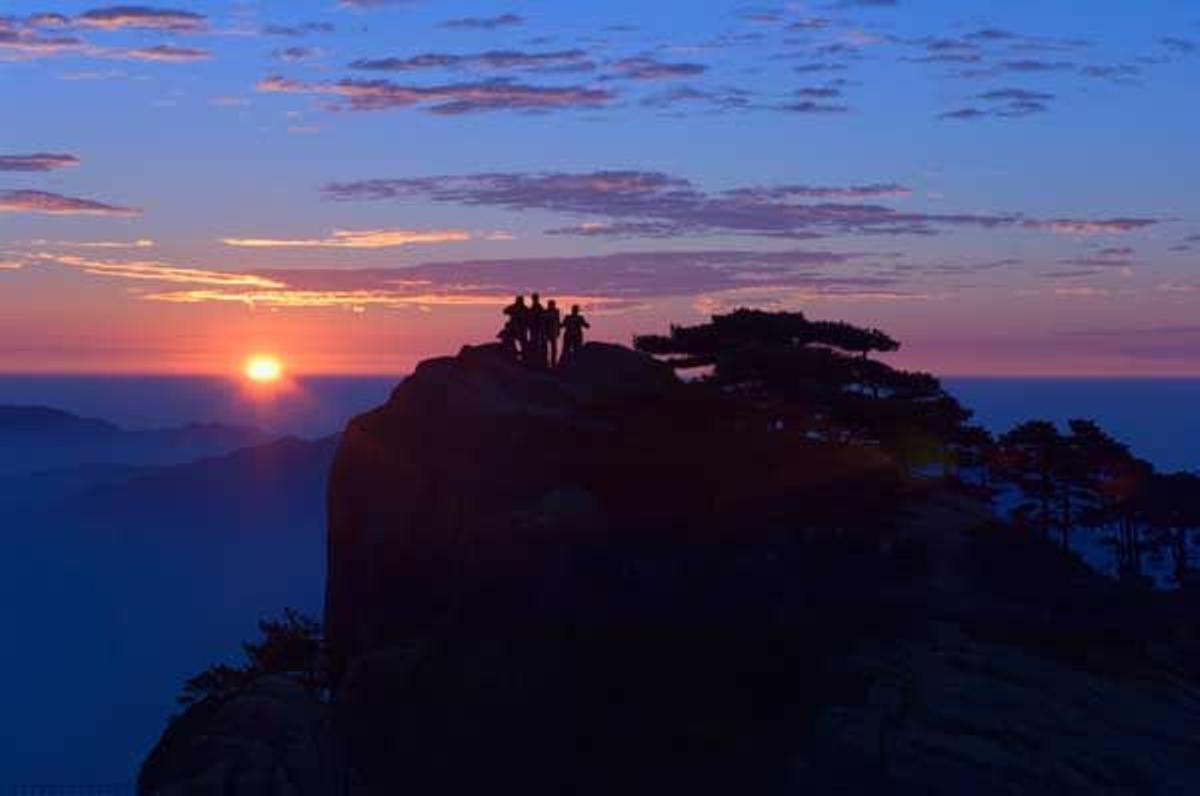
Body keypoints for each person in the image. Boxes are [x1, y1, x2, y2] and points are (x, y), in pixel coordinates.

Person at [527, 293, 548, 368]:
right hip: (534, 328)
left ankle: (537, 360)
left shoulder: (538, 307)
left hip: (537, 328)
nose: (534, 299)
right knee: (534, 342)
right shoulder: (534, 307)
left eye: (535, 298)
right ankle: (534, 359)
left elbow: (541, 318)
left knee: (536, 343)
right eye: (534, 298)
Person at [544, 299, 562, 367]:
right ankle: (547, 361)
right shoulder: (546, 312)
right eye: (551, 304)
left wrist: (558, 331)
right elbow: (545, 323)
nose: (551, 306)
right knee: (547, 348)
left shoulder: (556, 312)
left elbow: (557, 322)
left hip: (553, 332)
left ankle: (553, 362)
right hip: (548, 332)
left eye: (552, 304)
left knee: (553, 348)